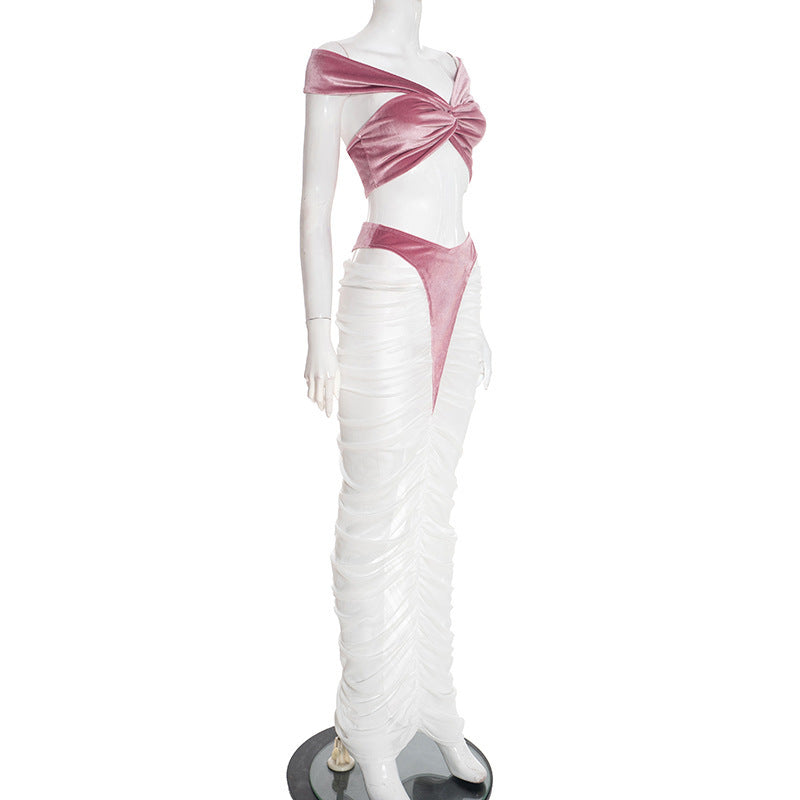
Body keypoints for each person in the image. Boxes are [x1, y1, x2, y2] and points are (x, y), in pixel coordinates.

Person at [299, 2, 491, 798]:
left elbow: (453, 193)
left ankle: (435, 710)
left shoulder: (452, 67)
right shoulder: (335, 64)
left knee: (434, 512)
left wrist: (482, 322)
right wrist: (317, 331)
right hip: (389, 286)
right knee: (377, 516)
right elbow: (314, 206)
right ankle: (371, 726)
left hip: (463, 282)